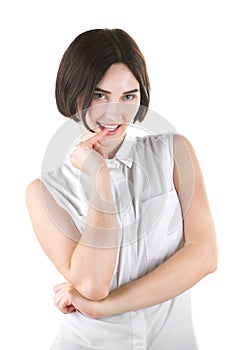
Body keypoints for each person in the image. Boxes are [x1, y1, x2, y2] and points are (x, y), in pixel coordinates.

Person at [25, 28, 217, 350]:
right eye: (100, 95)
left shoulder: (175, 154)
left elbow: (204, 256)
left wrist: (106, 308)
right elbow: (92, 284)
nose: (115, 113)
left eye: (128, 96)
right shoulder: (45, 193)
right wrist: (100, 177)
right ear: (74, 92)